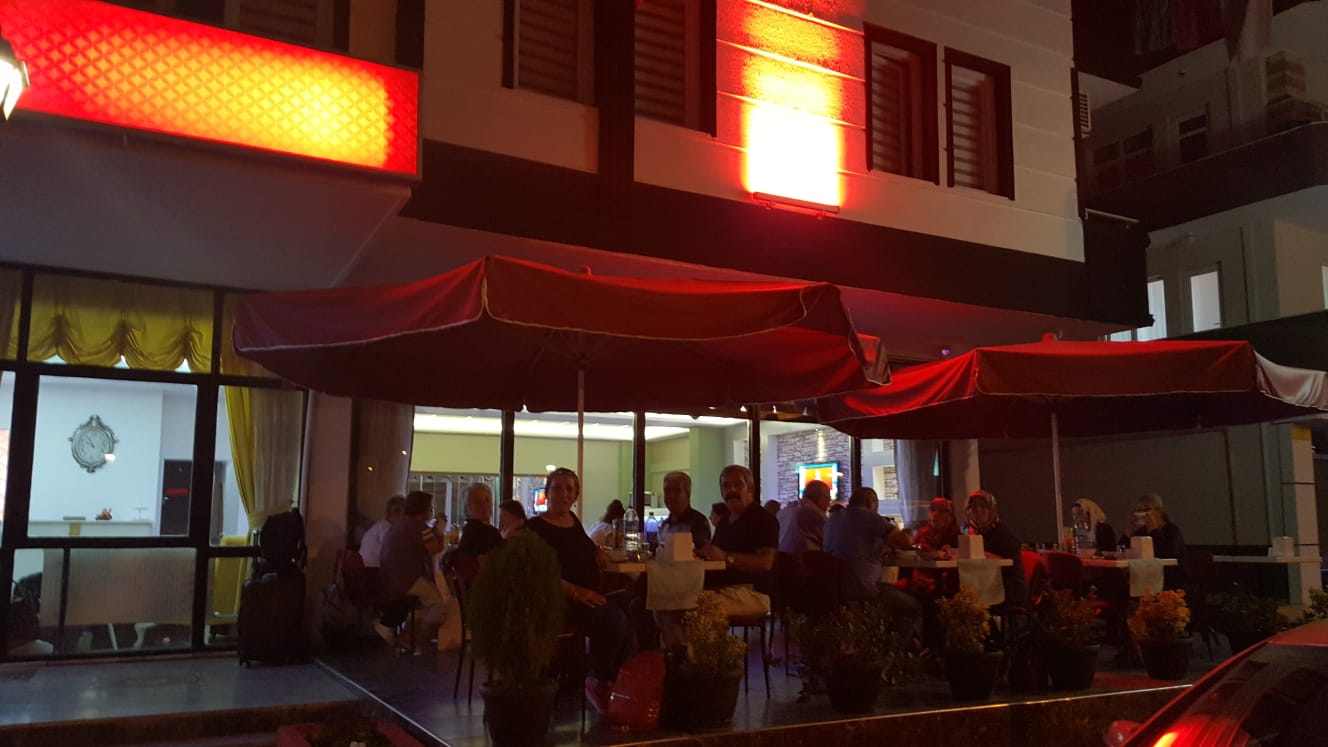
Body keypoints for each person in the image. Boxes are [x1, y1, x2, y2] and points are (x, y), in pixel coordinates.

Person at [526, 468, 632, 689]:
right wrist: (576, 592)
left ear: (576, 495)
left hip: (589, 595)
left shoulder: (572, 521)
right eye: (557, 488)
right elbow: (537, 574)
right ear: (547, 493)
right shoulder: (535, 527)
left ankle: (625, 682)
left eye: (569, 489)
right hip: (561, 601)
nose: (564, 494)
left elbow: (583, 544)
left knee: (634, 606)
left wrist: (597, 550)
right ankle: (601, 678)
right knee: (614, 620)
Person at [823, 487, 920, 635]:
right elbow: (903, 541)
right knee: (913, 607)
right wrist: (909, 532)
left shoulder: (833, 519)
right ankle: (893, 646)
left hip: (835, 591)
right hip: (864, 590)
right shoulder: (867, 516)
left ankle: (878, 641)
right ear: (871, 502)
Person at [698, 465, 780, 615]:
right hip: (721, 589)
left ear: (750, 489)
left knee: (690, 607)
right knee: (670, 598)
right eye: (726, 486)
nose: (732, 490)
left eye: (738, 484)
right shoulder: (724, 521)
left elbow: (766, 562)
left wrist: (726, 557)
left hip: (752, 592)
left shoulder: (763, 519)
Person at [376, 490, 448, 651]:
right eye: (430, 507)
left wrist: (435, 530)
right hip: (406, 580)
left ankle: (406, 636)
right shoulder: (419, 527)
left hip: (388, 579)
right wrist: (441, 531)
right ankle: (413, 639)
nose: (431, 511)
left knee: (424, 604)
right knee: (439, 605)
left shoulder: (399, 525)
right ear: (423, 509)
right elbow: (435, 549)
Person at [965, 490, 1027, 606]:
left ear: (992, 510)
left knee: (968, 599)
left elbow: (1008, 563)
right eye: (974, 507)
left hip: (1008, 588)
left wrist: (981, 554)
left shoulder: (1003, 533)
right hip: (986, 584)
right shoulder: (974, 534)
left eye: (983, 506)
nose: (978, 510)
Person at [1128, 493, 1186, 588]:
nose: (1142, 513)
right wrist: (1129, 531)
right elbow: (1124, 549)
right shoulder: (1141, 532)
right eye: (1139, 509)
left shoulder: (1172, 530)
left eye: (1146, 509)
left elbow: (1167, 553)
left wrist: (1153, 530)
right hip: (1144, 574)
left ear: (1159, 511)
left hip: (1170, 577)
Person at [451, 483, 503, 583]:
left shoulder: (469, 529)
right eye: (478, 502)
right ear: (468, 508)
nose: (484, 506)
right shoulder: (480, 532)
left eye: (487, 500)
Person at [656, 471, 711, 550]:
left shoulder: (698, 523)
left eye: (677, 491)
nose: (671, 496)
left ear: (688, 494)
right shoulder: (664, 525)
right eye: (667, 490)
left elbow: (699, 554)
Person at [777, 480, 831, 556]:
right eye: (828, 498)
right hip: (802, 560)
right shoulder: (814, 513)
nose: (829, 504)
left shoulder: (786, 510)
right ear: (820, 497)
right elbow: (829, 542)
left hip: (781, 558)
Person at [358, 494, 405, 569]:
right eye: (404, 515)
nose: (405, 518)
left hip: (368, 567)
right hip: (371, 568)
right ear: (396, 513)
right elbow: (390, 552)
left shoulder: (382, 525)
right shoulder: (385, 528)